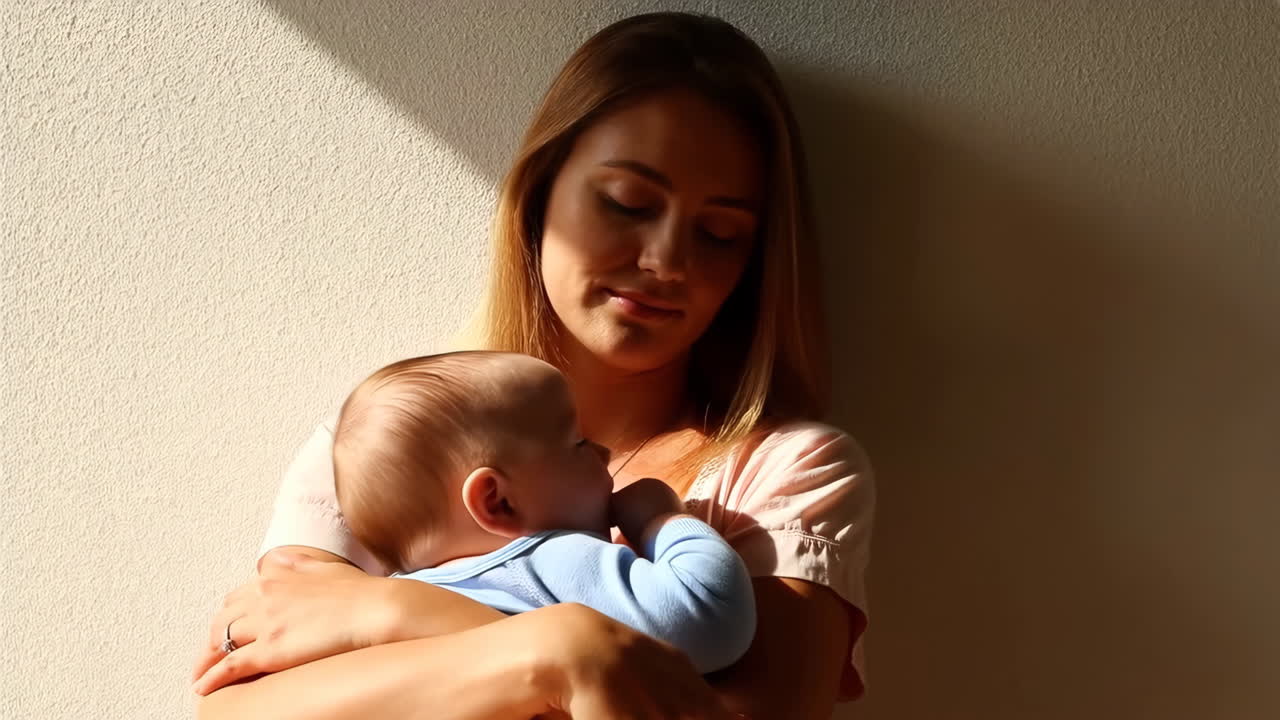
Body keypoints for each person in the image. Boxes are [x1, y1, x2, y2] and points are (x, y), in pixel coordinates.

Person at [194, 10, 875, 720]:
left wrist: (392, 612)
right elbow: (239, 707)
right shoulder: (385, 437)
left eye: (719, 233)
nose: (666, 261)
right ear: (538, 197)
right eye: (626, 202)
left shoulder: (789, 473)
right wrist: (559, 656)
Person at [331, 350, 756, 674]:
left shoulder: (398, 605)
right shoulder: (544, 562)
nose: (605, 452)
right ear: (498, 503)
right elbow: (711, 618)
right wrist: (661, 520)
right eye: (577, 443)